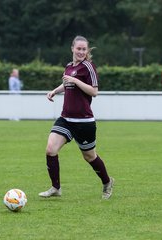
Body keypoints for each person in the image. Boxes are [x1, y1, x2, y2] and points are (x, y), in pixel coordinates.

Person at [38, 35, 114, 200]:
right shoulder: (69, 67)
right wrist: (55, 91)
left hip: (84, 122)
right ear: (72, 48)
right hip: (66, 119)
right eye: (78, 48)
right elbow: (67, 85)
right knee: (51, 149)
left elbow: (94, 91)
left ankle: (107, 182)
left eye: (84, 49)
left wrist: (75, 80)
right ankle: (55, 187)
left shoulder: (89, 67)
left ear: (87, 51)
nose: (81, 52)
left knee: (89, 156)